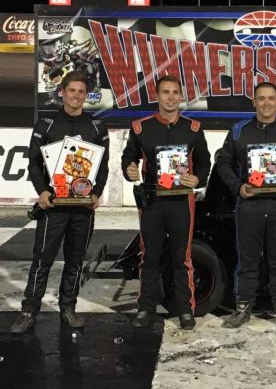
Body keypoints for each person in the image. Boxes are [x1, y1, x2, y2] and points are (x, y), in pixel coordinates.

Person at [11, 71, 109, 333]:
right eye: (72, 90)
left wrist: (96, 193)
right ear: (62, 92)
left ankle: (68, 308)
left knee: (75, 261)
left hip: (83, 209)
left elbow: (103, 167)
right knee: (42, 260)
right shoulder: (46, 125)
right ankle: (28, 311)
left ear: (86, 96)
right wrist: (42, 192)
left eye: (81, 92)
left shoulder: (97, 127)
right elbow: (33, 162)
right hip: (53, 207)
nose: (76, 95)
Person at [216, 82, 276, 329]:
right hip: (250, 206)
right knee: (247, 260)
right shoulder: (239, 131)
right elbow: (223, 163)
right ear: (254, 102)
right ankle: (242, 308)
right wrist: (237, 186)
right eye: (261, 98)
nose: (266, 103)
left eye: (271, 98)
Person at [121, 75, 211, 330]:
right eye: (165, 92)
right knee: (148, 256)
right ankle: (145, 307)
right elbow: (129, 157)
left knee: (182, 257)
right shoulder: (140, 127)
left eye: (175, 92)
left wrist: (199, 178)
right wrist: (129, 169)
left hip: (182, 201)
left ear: (181, 96)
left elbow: (204, 162)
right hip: (152, 201)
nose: (170, 97)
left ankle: (185, 309)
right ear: (157, 95)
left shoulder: (193, 128)